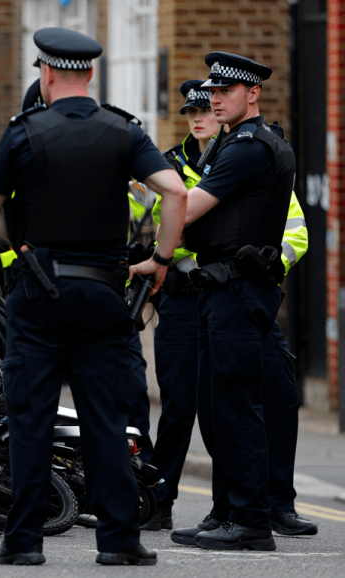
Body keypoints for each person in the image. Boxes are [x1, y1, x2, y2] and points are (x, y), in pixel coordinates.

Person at [0, 27, 187, 566]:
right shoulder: (124, 132)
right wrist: (160, 260)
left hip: (39, 291)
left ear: (46, 74)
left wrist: (17, 253)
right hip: (102, 292)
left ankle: (23, 542)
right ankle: (119, 541)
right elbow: (175, 192)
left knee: (31, 418)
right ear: (89, 74)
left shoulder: (23, 132)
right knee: (105, 419)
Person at [131, 52, 295, 551]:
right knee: (218, 406)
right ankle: (225, 511)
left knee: (237, 405)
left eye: (225, 92)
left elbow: (188, 205)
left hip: (239, 288)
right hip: (221, 287)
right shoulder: (231, 144)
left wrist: (159, 254)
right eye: (213, 92)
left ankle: (249, 521)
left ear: (252, 94)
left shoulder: (249, 148)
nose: (216, 100)